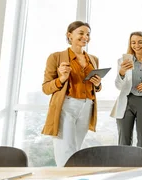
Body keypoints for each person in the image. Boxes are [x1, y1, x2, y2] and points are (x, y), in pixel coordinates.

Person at [42, 21, 102, 167]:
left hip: (87, 106)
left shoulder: (93, 59)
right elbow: (46, 88)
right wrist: (62, 78)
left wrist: (98, 84)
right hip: (66, 106)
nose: (85, 37)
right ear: (70, 35)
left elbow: (95, 87)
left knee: (76, 150)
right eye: (81, 33)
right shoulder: (56, 57)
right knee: (65, 150)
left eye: (88, 34)